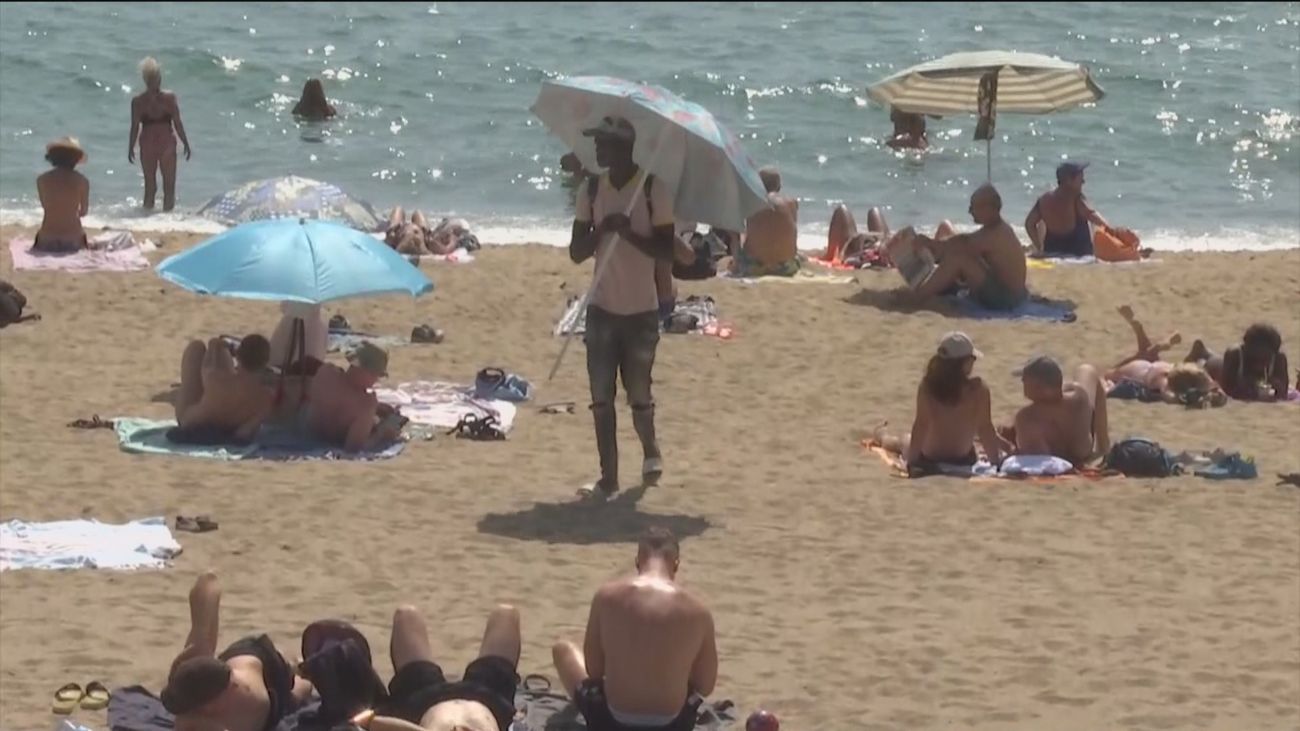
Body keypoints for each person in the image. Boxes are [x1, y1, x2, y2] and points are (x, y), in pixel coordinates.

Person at [569, 116, 675, 497]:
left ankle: (650, 450)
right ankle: (608, 479)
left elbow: (668, 250)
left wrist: (629, 232)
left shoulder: (651, 189)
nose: (597, 150)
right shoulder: (592, 190)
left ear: (622, 148)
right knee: (601, 399)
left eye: (603, 143)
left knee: (639, 394)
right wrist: (603, 230)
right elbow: (576, 252)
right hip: (601, 309)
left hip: (641, 312)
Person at [552, 527, 718, 731]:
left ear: (638, 561)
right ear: (676, 564)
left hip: (609, 722)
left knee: (563, 649)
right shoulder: (698, 610)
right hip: (674, 725)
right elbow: (705, 685)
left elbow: (594, 670)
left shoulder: (606, 597)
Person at [161, 572, 313, 731]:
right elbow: (208, 581)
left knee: (300, 687)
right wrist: (199, 641)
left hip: (267, 674)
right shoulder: (193, 678)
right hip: (243, 659)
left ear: (211, 706)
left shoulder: (253, 705)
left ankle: (299, 664)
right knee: (199, 649)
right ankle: (298, 663)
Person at [352, 604, 521, 731]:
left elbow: (365, 722)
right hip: (491, 700)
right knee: (506, 613)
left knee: (406, 615)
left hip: (424, 701)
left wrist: (367, 718)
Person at [872, 332, 1009, 475]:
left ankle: (881, 435)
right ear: (965, 362)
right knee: (971, 442)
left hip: (930, 457)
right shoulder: (979, 389)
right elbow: (985, 428)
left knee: (903, 440)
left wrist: (911, 462)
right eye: (973, 359)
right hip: (963, 458)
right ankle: (882, 435)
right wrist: (996, 463)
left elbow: (921, 425)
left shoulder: (928, 386)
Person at [904, 184, 1028, 310]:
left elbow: (962, 244)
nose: (970, 211)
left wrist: (929, 243)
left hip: (1006, 299)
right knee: (948, 236)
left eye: (973, 207)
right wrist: (932, 246)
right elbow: (964, 241)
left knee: (959, 258)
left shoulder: (997, 234)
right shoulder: (995, 228)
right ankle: (934, 284)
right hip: (1004, 289)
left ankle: (917, 297)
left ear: (988, 208)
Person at [1104, 306, 1226, 407]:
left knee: (1144, 354)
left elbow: (1205, 380)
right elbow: (1168, 396)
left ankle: (1145, 335)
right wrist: (1182, 401)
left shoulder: (1175, 371)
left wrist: (1214, 394)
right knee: (1112, 372)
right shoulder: (1165, 382)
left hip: (1151, 368)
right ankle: (1146, 336)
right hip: (1140, 371)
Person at [1012, 356, 1111, 466]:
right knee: (1086, 370)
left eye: (1025, 380)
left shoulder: (1026, 417)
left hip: (1054, 457)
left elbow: (1037, 460)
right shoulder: (1078, 396)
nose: (1022, 382)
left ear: (1038, 387)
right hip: (1083, 451)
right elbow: (1056, 392)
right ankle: (1104, 445)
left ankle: (1104, 446)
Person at [173, 334, 273, 443]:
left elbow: (206, 367)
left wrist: (213, 346)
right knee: (221, 357)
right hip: (230, 428)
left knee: (196, 348)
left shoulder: (217, 379)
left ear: (238, 357)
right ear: (266, 362)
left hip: (192, 422)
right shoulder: (266, 398)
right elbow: (243, 432)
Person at [305, 341, 402, 452]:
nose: (376, 380)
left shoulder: (326, 372)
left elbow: (340, 399)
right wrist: (381, 434)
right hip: (332, 442)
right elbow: (354, 449)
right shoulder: (366, 404)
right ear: (369, 372)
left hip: (307, 435)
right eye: (376, 375)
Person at [1024, 161, 1130, 258]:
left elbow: (1029, 224)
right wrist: (1116, 234)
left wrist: (1040, 247)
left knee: (1043, 222)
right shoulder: (1075, 198)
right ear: (1069, 181)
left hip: (1052, 251)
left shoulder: (1044, 200)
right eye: (1080, 178)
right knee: (1091, 223)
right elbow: (1093, 216)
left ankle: (1039, 249)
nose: (1083, 182)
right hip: (1078, 253)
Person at [128, 57, 191, 211]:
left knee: (153, 185)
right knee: (166, 185)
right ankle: (163, 219)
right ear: (158, 78)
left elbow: (135, 127)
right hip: (164, 142)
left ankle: (149, 218)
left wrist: (130, 147)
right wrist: (185, 143)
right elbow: (177, 123)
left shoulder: (138, 101)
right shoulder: (168, 98)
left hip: (150, 142)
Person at [727, 166, 799, 277]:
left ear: (759, 184)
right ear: (779, 186)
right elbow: (793, 231)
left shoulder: (751, 201)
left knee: (734, 230)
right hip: (786, 267)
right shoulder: (791, 203)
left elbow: (736, 227)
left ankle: (736, 262)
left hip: (754, 266)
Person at [1190, 324, 1291, 402]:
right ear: (1246, 348)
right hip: (1220, 369)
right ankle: (1201, 353)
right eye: (1256, 358)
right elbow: (1227, 389)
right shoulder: (1235, 354)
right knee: (1216, 365)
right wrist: (1249, 386)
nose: (1260, 363)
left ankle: (1205, 352)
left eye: (1265, 359)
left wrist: (1277, 385)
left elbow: (1283, 393)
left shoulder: (1278, 358)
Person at [35, 137, 90, 253]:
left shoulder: (41, 180)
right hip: (73, 240)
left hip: (46, 240)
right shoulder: (82, 181)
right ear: (76, 159)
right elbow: (84, 212)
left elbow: (45, 205)